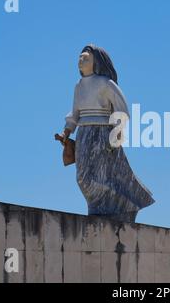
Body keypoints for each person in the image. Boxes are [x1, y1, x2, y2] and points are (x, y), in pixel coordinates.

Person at [60, 44, 154, 223]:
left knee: (99, 175)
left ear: (96, 61)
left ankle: (116, 204)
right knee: (82, 177)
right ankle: (105, 205)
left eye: (85, 58)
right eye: (79, 57)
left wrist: (118, 131)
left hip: (102, 133)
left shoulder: (105, 83)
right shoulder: (79, 86)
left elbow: (122, 108)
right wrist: (67, 130)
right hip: (83, 135)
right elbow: (75, 113)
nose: (81, 60)